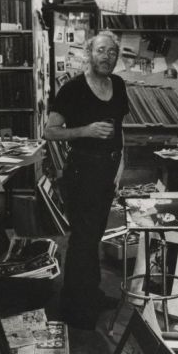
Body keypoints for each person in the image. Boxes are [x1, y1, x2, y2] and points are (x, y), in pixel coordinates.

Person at [43, 31, 128, 329]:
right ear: (89, 53)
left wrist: (121, 164)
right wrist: (85, 131)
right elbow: (49, 132)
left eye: (112, 53)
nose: (107, 57)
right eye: (101, 50)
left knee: (94, 238)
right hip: (82, 172)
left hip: (108, 171)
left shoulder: (117, 85)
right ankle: (74, 308)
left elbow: (120, 129)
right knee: (82, 240)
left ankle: (90, 293)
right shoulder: (73, 89)